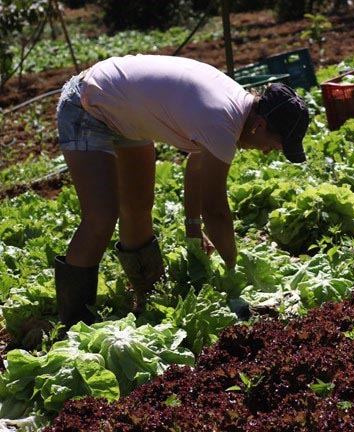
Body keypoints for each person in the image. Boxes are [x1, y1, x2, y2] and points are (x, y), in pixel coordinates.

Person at [54, 54, 310, 329]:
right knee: (101, 217)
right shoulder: (222, 121)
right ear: (260, 125)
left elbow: (196, 165)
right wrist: (233, 271)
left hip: (124, 110)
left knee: (138, 208)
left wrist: (192, 226)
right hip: (87, 104)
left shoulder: (236, 110)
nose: (269, 151)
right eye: (273, 144)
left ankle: (149, 298)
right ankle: (74, 321)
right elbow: (215, 211)